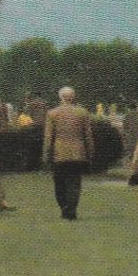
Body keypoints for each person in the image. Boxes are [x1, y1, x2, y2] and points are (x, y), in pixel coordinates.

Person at [41, 86, 97, 220]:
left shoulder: (52, 113)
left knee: (59, 183)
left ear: (60, 97)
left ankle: (64, 208)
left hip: (59, 154)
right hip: (78, 153)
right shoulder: (82, 113)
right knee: (74, 183)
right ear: (73, 97)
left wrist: (46, 155)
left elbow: (49, 137)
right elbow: (88, 136)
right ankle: (72, 210)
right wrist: (90, 153)